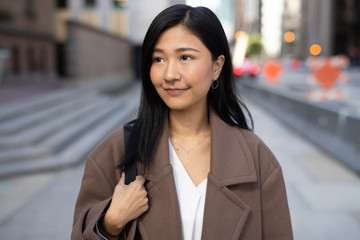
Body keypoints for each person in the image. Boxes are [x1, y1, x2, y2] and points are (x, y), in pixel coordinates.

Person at [71, 4, 293, 240]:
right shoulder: (115, 152)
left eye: (185, 57)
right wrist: (110, 223)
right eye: (158, 59)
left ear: (217, 67)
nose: (170, 74)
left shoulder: (257, 159)